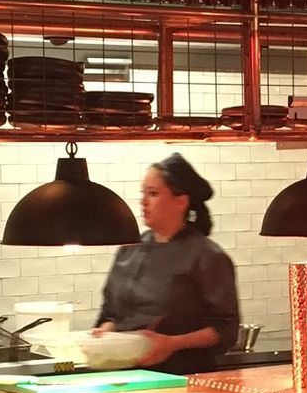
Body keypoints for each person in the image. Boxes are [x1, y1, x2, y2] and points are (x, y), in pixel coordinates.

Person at [94, 153, 240, 374]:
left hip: (184, 379)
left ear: (180, 201)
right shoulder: (129, 248)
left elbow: (226, 329)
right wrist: (104, 334)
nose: (143, 201)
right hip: (125, 374)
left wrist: (172, 343)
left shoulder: (207, 256)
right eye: (143, 193)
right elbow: (112, 314)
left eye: (153, 193)